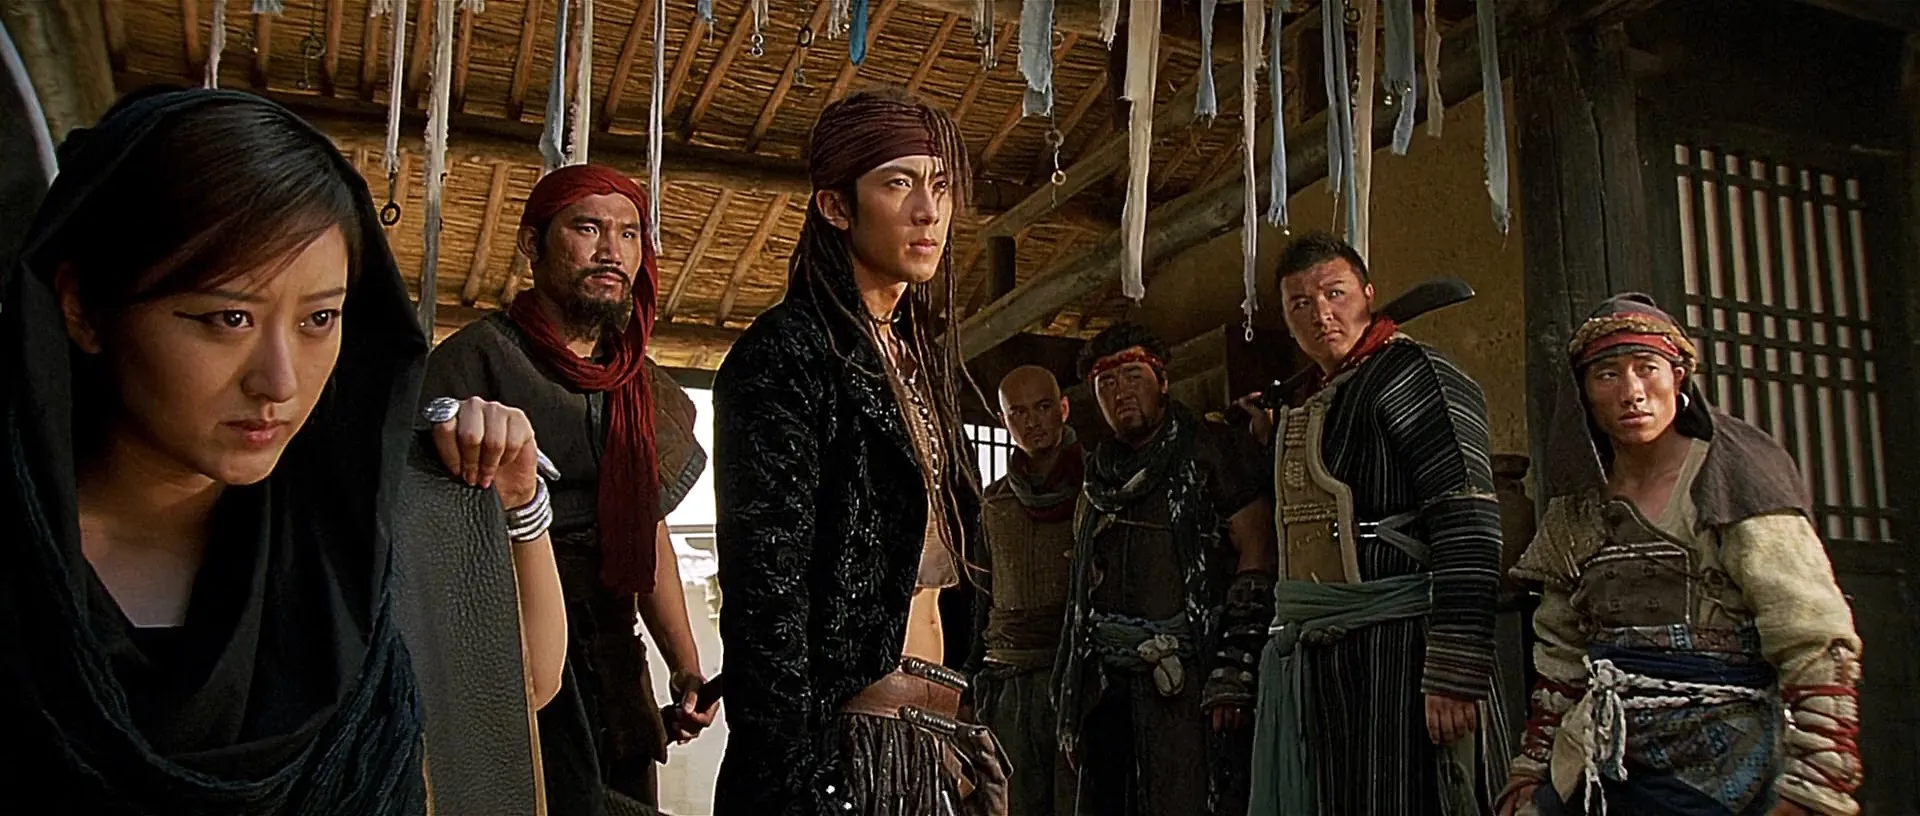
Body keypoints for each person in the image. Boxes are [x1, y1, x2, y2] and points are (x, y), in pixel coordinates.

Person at [0, 88, 564, 813]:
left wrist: (518, 504)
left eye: (319, 319)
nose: (281, 381)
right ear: (82, 308)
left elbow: (520, 686)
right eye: (227, 318)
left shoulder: (348, 532)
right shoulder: (24, 573)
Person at [712, 88, 1008, 816]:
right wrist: (796, 779)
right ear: (836, 206)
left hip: (939, 739)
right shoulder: (787, 356)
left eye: (940, 185)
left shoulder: (922, 361)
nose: (928, 210)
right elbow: (766, 593)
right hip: (842, 750)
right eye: (898, 183)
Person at [1497, 293, 1863, 816]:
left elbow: (1812, 634)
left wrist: (1817, 782)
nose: (1631, 392)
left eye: (1647, 369)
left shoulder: (1734, 476)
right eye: (1607, 375)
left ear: (1679, 378)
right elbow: (1561, 650)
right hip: (1603, 748)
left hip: (1724, 752)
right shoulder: (1578, 506)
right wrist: (1533, 765)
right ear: (1584, 395)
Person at [424, 163, 716, 815]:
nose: (611, 251)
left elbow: (647, 529)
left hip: (614, 666)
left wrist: (685, 665)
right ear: (533, 244)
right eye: (588, 229)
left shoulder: (643, 387)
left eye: (629, 234)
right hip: (507, 661)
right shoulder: (472, 365)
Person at [1246, 231, 1508, 816]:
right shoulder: (1319, 396)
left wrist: (1454, 671)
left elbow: (1467, 520)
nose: (1321, 314)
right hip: (1331, 660)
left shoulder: (1416, 375)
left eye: (1334, 293)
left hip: (1407, 653)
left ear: (1368, 293)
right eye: (1300, 304)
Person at [1053, 322, 1277, 816]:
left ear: (1163, 382)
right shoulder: (1098, 476)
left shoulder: (1213, 449)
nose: (1121, 392)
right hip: (1107, 685)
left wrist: (1234, 666)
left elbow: (1258, 552)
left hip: (1191, 680)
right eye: (1106, 384)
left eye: (1133, 376)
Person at [972, 365, 1083, 816]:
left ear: (1063, 409)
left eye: (1042, 407)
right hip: (1010, 677)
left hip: (1077, 674)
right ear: (1003, 421)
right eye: (1018, 412)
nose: (1032, 422)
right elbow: (981, 596)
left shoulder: (1098, 489)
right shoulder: (994, 503)